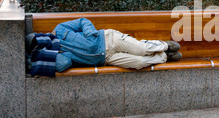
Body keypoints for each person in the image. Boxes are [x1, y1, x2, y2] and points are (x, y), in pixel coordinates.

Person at [26, 17, 181, 77]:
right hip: (106, 58)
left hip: (109, 39)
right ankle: (164, 57)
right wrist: (51, 53)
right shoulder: (58, 55)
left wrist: (90, 34)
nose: (44, 41)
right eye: (40, 44)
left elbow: (83, 21)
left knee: (141, 49)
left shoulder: (60, 29)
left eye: (39, 39)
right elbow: (63, 65)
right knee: (139, 63)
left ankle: (164, 45)